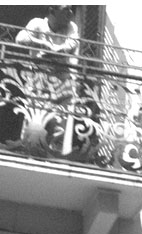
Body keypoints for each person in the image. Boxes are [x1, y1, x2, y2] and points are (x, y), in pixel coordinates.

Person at [15, 5, 80, 155]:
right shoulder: (38, 23)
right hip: (39, 81)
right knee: (34, 120)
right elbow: (20, 38)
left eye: (71, 9)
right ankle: (28, 153)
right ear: (52, 11)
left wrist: (54, 49)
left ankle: (52, 154)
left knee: (58, 123)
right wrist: (42, 44)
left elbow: (72, 44)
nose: (70, 13)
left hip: (63, 83)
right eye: (66, 9)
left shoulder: (71, 27)